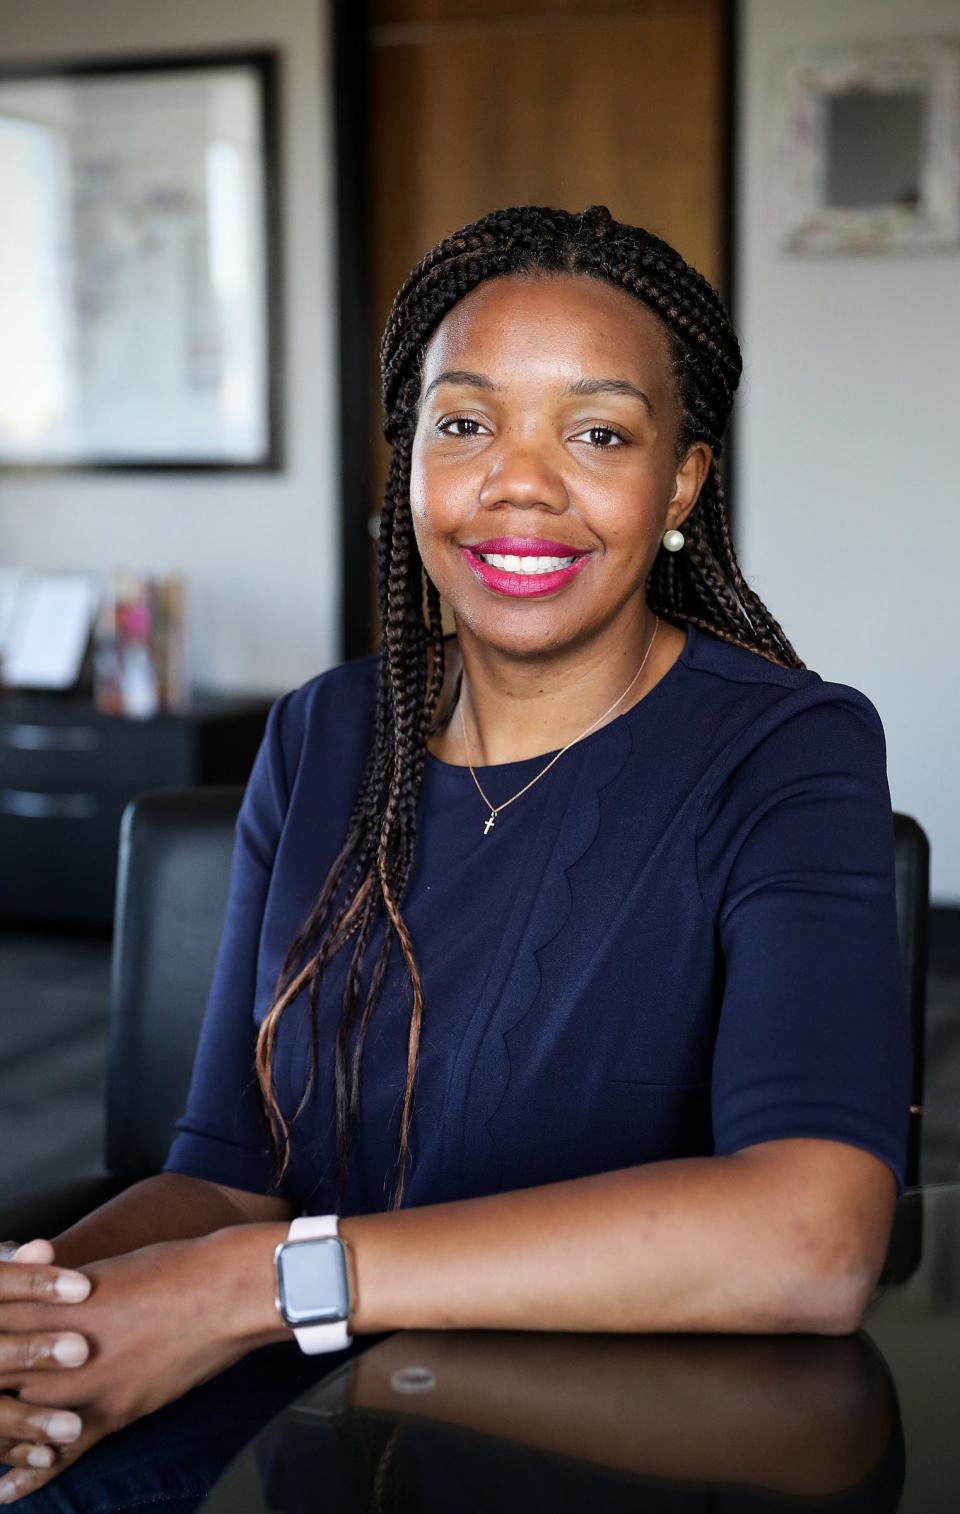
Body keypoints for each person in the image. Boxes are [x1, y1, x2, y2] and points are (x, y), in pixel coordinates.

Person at [0, 204, 910, 1507]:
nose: (520, 481)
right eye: (466, 422)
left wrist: (260, 1287)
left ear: (684, 484)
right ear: (410, 458)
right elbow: (224, 1171)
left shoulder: (787, 747)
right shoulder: (324, 731)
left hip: (605, 1439)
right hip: (291, 1414)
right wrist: (43, 1321)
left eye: (597, 433)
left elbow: (811, 1240)